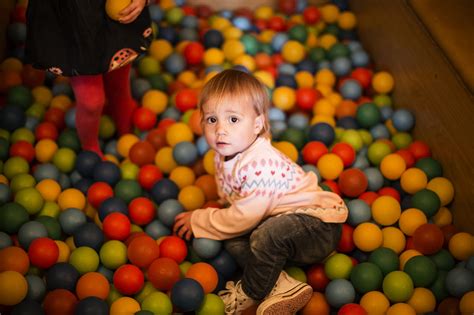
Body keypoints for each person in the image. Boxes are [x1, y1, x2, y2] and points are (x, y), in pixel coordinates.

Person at [173, 69, 348, 315]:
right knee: (234, 239)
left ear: (257, 125)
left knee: (263, 235)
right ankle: (280, 283)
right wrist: (223, 207)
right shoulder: (221, 154)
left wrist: (201, 219)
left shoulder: (259, 164)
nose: (220, 129)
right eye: (212, 119)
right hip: (281, 229)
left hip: (317, 227)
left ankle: (252, 291)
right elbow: (232, 196)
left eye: (233, 119)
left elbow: (244, 217)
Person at [25, 0, 152, 157]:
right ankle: (90, 150)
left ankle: (125, 127)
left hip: (113, 9)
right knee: (91, 101)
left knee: (118, 79)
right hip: (72, 16)